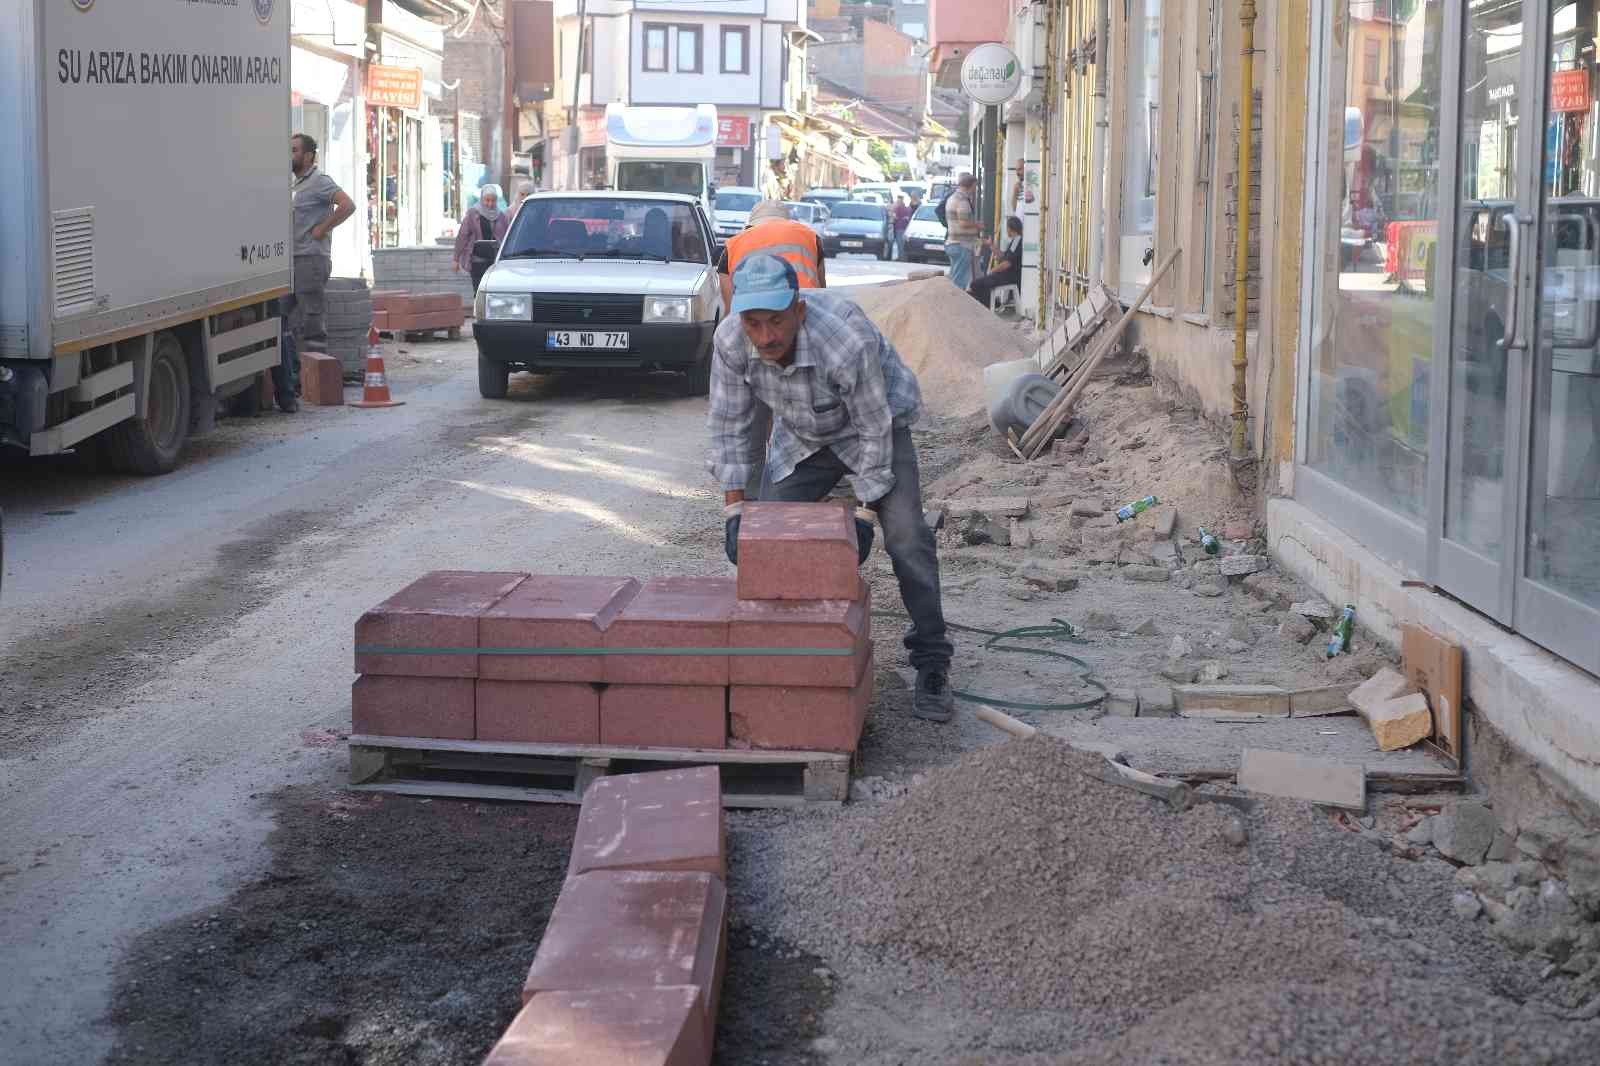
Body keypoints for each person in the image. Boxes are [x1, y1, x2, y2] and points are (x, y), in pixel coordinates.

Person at [707, 254, 955, 722]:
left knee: (905, 537)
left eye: (777, 322)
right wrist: (736, 514)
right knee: (769, 536)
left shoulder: (843, 340)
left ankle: (932, 658)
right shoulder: (730, 342)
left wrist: (864, 516)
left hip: (876, 426)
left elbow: (874, 428)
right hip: (803, 435)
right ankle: (784, 649)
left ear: (798, 310)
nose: (766, 337)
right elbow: (730, 429)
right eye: (754, 323)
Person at [282, 133, 355, 413]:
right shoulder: (294, 184)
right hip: (291, 261)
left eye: (295, 150)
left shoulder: (320, 181)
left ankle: (318, 387)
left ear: (309, 155)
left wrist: (322, 229)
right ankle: (295, 381)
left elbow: (347, 205)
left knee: (312, 323)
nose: (290, 154)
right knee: (281, 319)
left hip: (310, 260)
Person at [715, 198, 826, 310]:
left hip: (755, 312)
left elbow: (730, 309)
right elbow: (823, 290)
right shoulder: (811, 237)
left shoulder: (733, 245)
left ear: (751, 225)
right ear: (786, 221)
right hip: (807, 307)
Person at [453, 184, 511, 293]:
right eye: (487, 200)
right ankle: (479, 310)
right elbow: (462, 236)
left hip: (494, 262)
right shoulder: (472, 213)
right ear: (481, 199)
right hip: (477, 261)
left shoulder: (502, 216)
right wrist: (456, 259)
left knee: (493, 293)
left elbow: (507, 239)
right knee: (479, 291)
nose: (490, 204)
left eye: (493, 200)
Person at [970, 215, 1024, 307]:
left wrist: (993, 270)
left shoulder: (1017, 242)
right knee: (980, 283)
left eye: (1007, 227)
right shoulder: (1015, 241)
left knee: (975, 284)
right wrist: (991, 245)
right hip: (1006, 275)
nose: (1006, 230)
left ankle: (994, 305)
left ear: (1010, 228)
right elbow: (1003, 256)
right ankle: (994, 304)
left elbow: (1007, 263)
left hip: (1009, 276)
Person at [943, 172, 981, 291]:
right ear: (970, 185)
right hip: (962, 245)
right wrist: (977, 225)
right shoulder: (963, 201)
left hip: (952, 243)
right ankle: (955, 307)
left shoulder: (952, 198)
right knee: (959, 282)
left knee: (954, 277)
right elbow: (963, 223)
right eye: (975, 186)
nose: (975, 190)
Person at [891, 195, 912, 261]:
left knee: (900, 243)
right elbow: (909, 217)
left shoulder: (897, 208)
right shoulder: (908, 208)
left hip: (899, 227)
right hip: (906, 228)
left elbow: (894, 217)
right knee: (903, 243)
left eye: (898, 200)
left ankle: (901, 257)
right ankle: (904, 257)